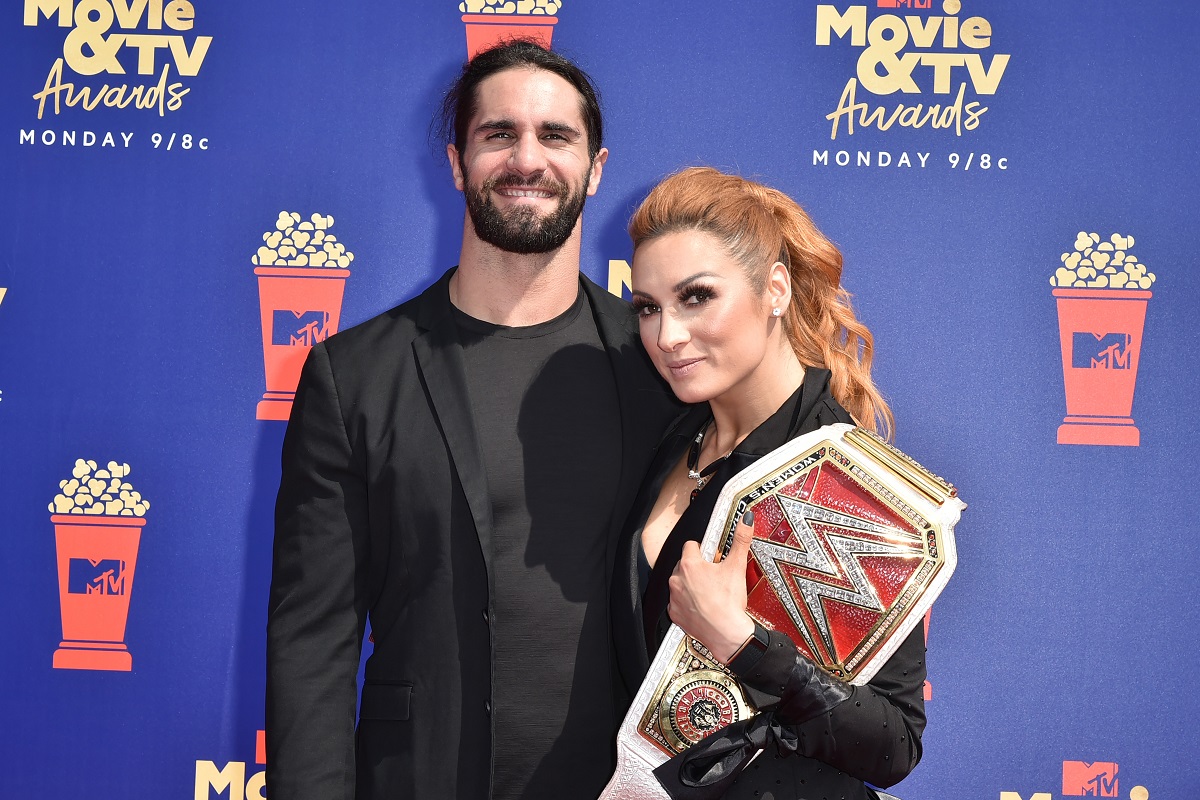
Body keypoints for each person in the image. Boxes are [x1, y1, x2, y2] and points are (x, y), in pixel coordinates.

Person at [265, 41, 679, 800]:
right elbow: (312, 644)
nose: (528, 159)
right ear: (458, 164)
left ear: (596, 168)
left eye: (556, 136)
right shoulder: (354, 375)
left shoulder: (663, 368)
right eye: (499, 135)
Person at [610, 167, 926, 800]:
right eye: (648, 308)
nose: (667, 335)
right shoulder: (671, 438)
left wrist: (741, 644)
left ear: (774, 289)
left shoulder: (847, 477)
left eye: (697, 297)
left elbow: (894, 743)